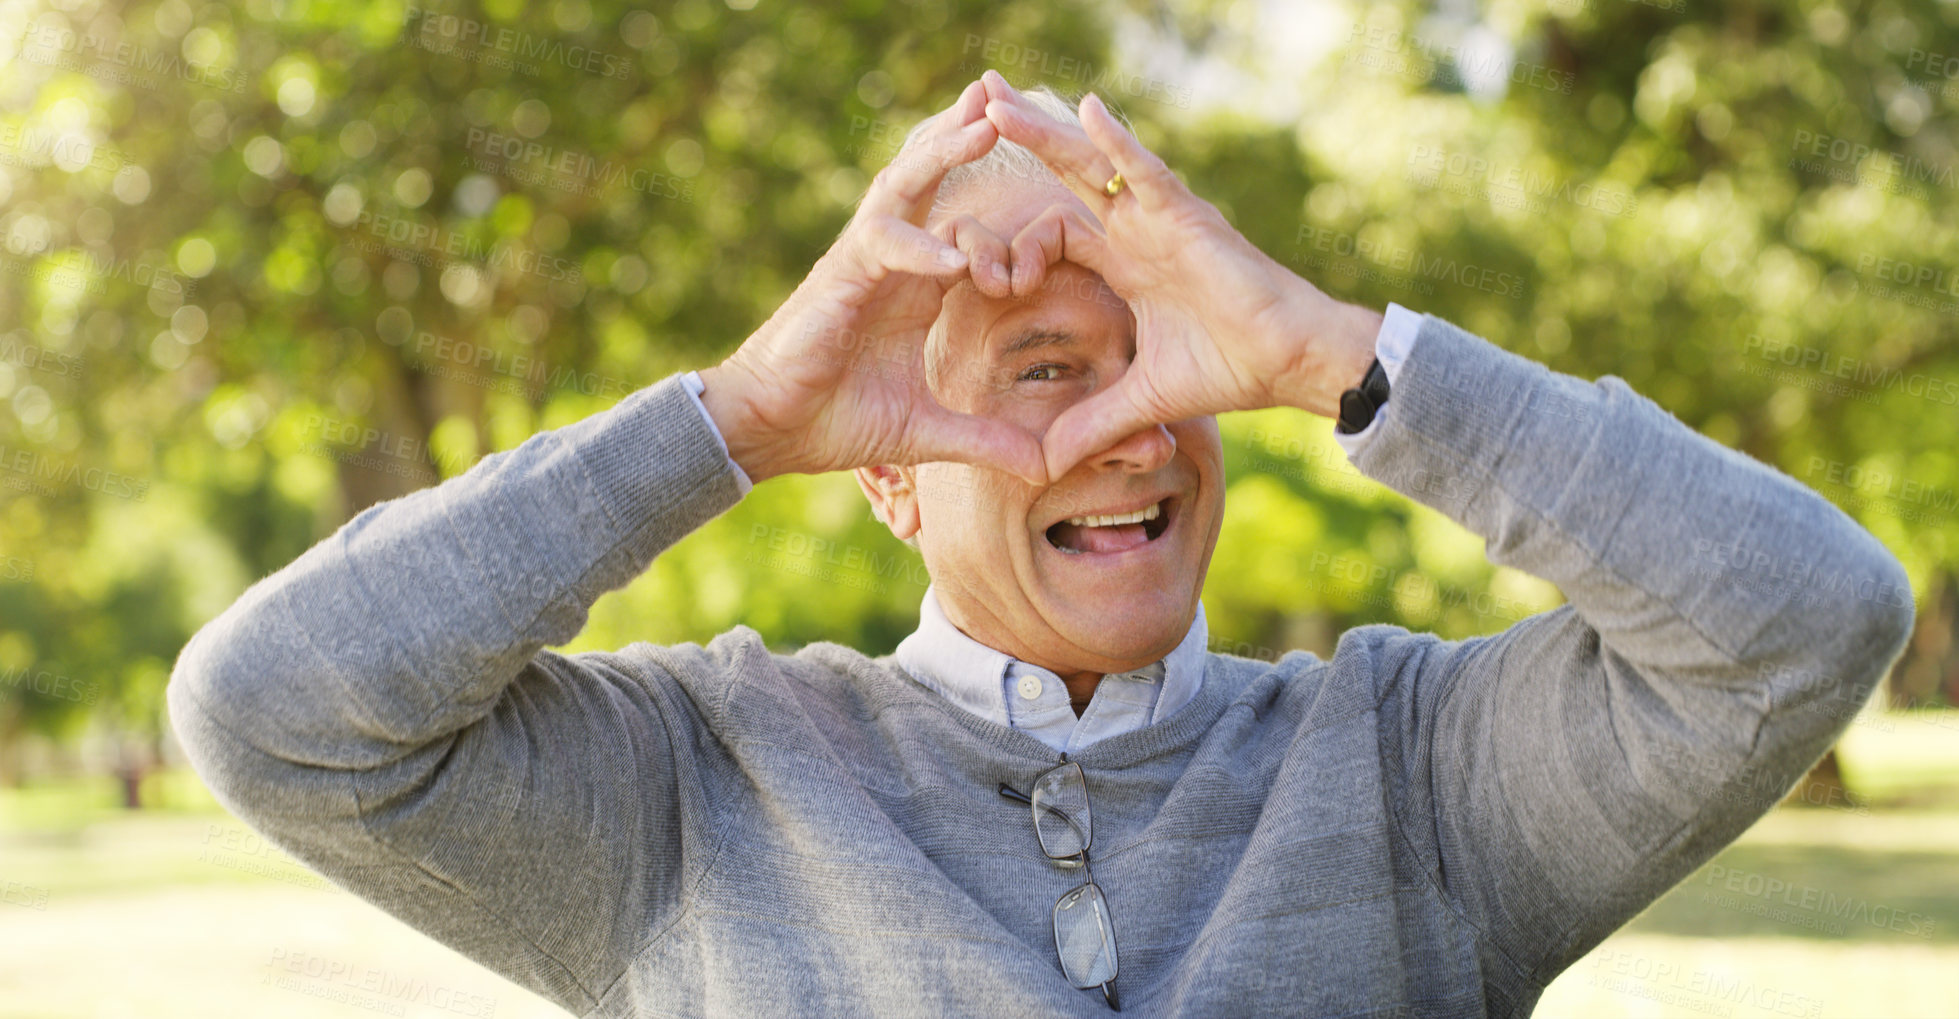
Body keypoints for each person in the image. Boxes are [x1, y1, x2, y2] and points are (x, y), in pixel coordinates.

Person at [167, 73, 1913, 1017]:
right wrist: (731, 422)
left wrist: (1333, 354)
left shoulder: (1415, 776)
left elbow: (1811, 618)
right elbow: (273, 715)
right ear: (887, 475)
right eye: (1041, 378)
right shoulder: (695, 790)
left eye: (1164, 362)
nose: (1127, 427)